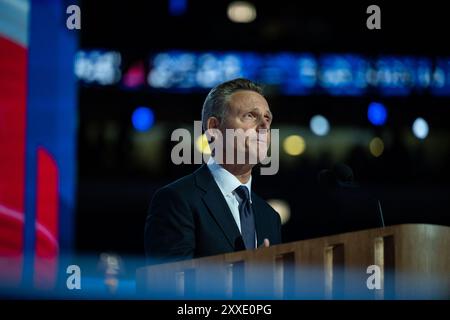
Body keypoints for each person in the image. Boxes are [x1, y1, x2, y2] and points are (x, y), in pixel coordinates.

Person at [144, 78, 281, 263]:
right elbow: (167, 285)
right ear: (214, 128)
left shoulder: (270, 217)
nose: (264, 126)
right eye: (250, 115)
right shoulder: (177, 200)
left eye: (267, 118)